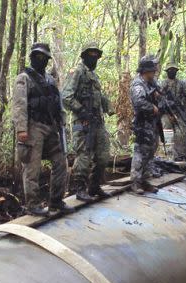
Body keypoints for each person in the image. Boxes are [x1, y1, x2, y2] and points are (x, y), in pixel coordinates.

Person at [11, 43, 74, 216]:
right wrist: (21, 129)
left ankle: (56, 201)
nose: (41, 60)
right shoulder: (24, 78)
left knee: (61, 161)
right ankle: (33, 204)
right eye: (37, 56)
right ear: (32, 57)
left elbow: (58, 103)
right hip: (33, 127)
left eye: (44, 57)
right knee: (32, 167)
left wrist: (62, 124)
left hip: (52, 127)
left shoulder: (50, 80)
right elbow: (19, 105)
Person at [62, 42, 113, 202]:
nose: (94, 58)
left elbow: (98, 96)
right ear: (84, 55)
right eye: (91, 54)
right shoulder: (77, 72)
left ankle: (94, 185)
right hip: (81, 122)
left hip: (97, 121)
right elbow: (66, 97)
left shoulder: (93, 75)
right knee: (83, 155)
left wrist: (108, 106)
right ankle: (80, 188)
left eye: (96, 55)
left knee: (104, 155)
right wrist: (82, 111)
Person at [129, 56, 162, 195]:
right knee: (141, 152)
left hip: (152, 123)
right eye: (152, 71)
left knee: (151, 150)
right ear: (146, 71)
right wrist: (152, 107)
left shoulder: (151, 83)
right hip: (142, 123)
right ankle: (136, 182)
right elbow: (138, 102)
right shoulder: (138, 84)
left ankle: (145, 179)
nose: (154, 73)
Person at [159, 61, 186, 163]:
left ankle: (181, 157)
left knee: (181, 133)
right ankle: (167, 158)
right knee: (167, 134)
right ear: (167, 72)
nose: (172, 72)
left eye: (174, 70)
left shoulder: (181, 83)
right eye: (170, 70)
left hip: (178, 112)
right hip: (166, 112)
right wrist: (166, 112)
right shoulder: (163, 83)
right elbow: (158, 97)